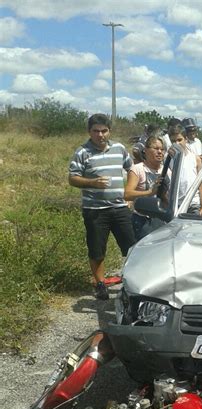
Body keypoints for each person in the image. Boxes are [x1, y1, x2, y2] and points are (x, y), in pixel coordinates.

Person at [69, 113, 135, 300]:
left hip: (120, 207)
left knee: (131, 247)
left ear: (109, 131)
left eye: (104, 131)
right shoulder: (82, 152)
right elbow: (72, 178)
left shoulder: (119, 148)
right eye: (96, 131)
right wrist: (92, 183)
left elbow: (131, 168)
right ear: (89, 132)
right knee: (97, 250)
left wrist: (130, 194)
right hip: (95, 210)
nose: (100, 135)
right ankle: (100, 284)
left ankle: (131, 283)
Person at [124, 135, 170, 240]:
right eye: (156, 148)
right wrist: (149, 193)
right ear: (145, 150)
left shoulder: (167, 171)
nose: (160, 152)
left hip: (163, 219)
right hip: (143, 221)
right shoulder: (137, 169)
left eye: (162, 149)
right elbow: (127, 194)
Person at [168, 123, 202, 215]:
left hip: (193, 203)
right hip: (176, 205)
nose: (177, 143)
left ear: (186, 139)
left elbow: (200, 183)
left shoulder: (195, 159)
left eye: (179, 140)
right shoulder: (169, 159)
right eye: (173, 141)